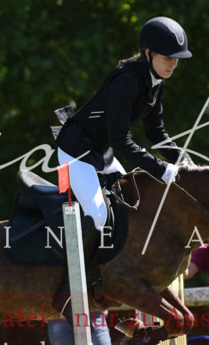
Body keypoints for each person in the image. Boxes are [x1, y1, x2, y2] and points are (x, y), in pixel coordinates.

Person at [53, 16, 194, 302]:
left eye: (177, 59)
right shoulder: (127, 81)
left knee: (133, 205)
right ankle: (73, 284)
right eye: (168, 57)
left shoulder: (157, 82)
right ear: (148, 53)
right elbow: (122, 140)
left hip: (101, 151)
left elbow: (157, 134)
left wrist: (184, 159)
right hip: (76, 150)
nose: (173, 64)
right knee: (99, 213)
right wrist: (159, 168)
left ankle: (117, 272)